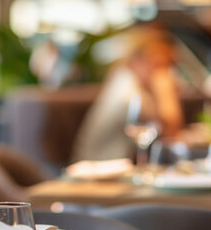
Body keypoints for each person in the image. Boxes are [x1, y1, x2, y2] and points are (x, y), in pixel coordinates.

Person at [72, 26, 184, 161]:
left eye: (169, 66)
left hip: (114, 168)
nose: (166, 73)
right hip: (99, 172)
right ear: (137, 61)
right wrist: (166, 93)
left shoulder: (126, 80)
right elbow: (169, 134)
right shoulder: (128, 91)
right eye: (159, 65)